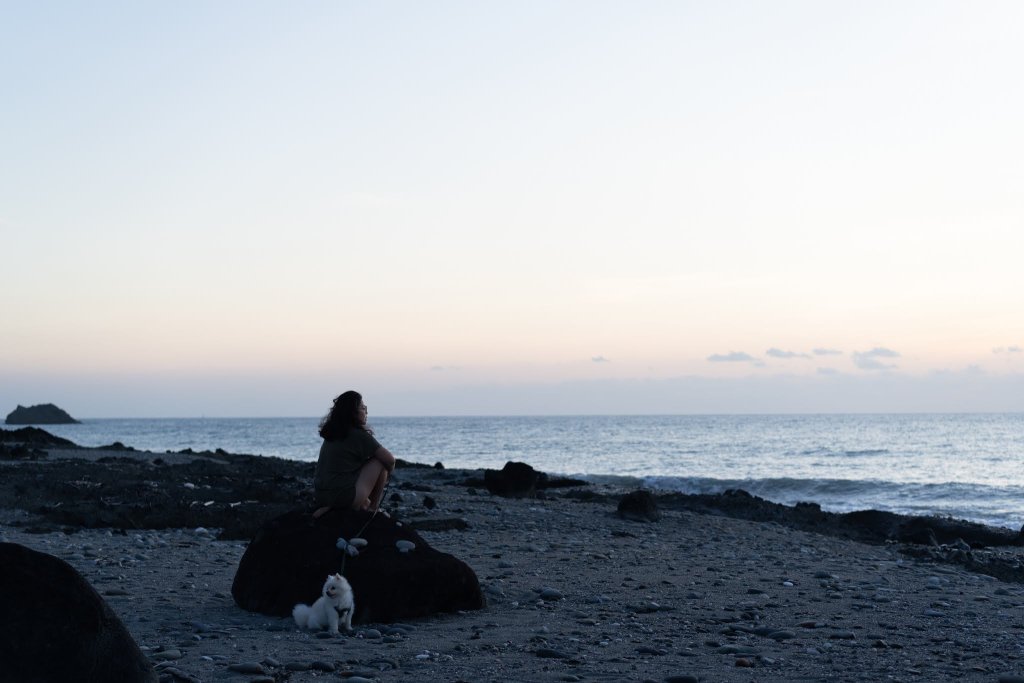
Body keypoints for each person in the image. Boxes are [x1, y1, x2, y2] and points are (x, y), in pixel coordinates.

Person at [312, 390, 396, 518]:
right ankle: (372, 510)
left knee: (361, 495)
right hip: (343, 496)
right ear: (353, 412)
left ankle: (332, 508)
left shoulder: (333, 433)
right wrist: (388, 473)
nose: (366, 412)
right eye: (363, 408)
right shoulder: (358, 435)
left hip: (321, 496)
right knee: (380, 462)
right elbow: (390, 460)